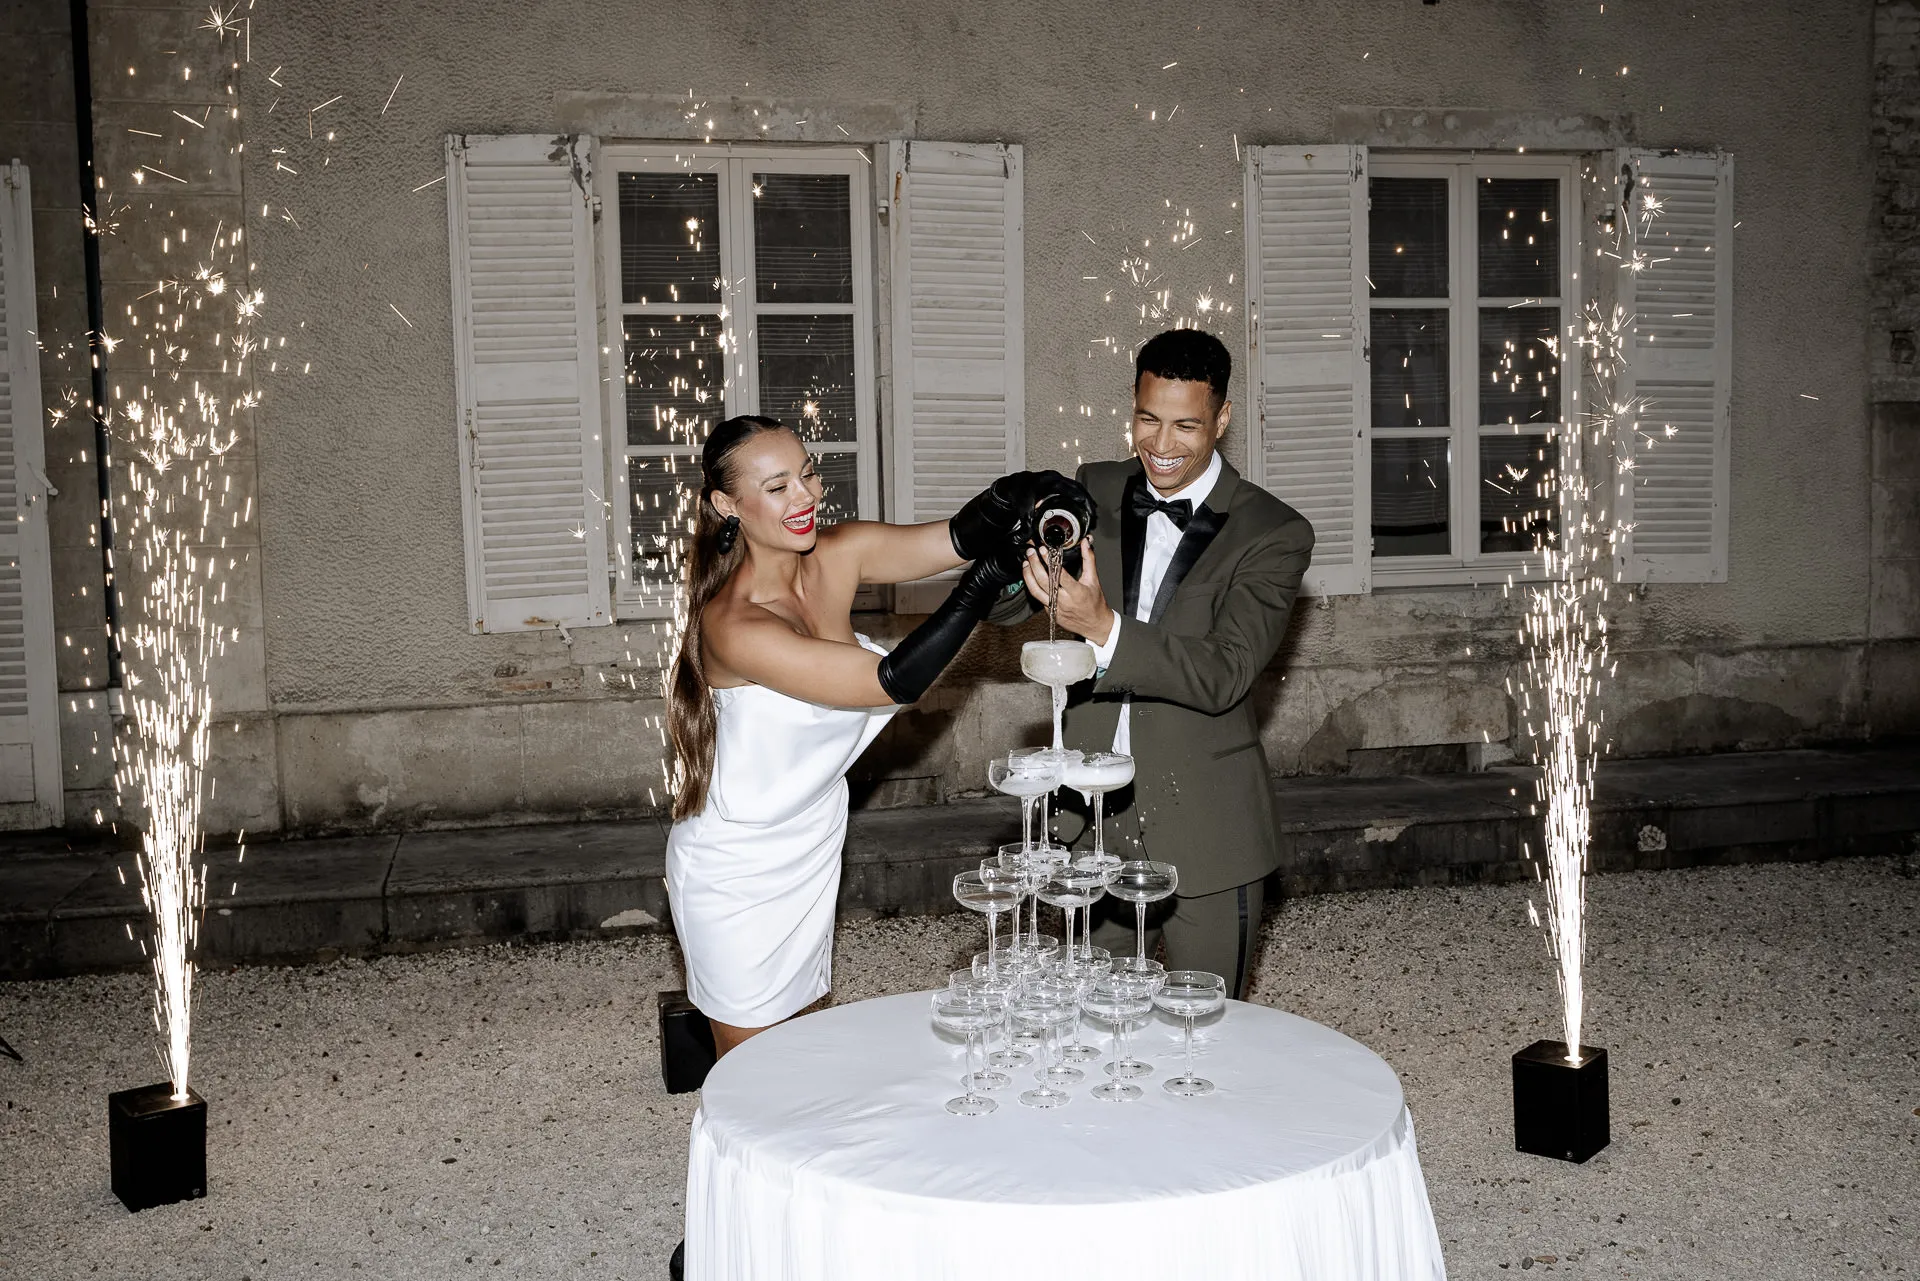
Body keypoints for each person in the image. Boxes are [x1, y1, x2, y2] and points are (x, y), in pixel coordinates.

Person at [666, 414, 1081, 1057]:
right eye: (777, 488)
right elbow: (891, 680)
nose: (805, 498)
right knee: (754, 1073)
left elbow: (953, 537)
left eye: (807, 475)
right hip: (738, 868)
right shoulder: (733, 624)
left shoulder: (837, 552)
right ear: (727, 505)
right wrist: (977, 588)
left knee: (806, 1042)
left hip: (813, 837)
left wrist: (1017, 493)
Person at [997, 328, 1314, 999]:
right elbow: (1018, 605)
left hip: (1206, 825)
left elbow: (1225, 672)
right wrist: (1005, 561)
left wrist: (1103, 627)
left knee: (1209, 1025)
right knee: (1093, 1019)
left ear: (1222, 419)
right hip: (1091, 818)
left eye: (1185, 426)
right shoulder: (1093, 486)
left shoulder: (1274, 531)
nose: (1161, 446)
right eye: (1148, 419)